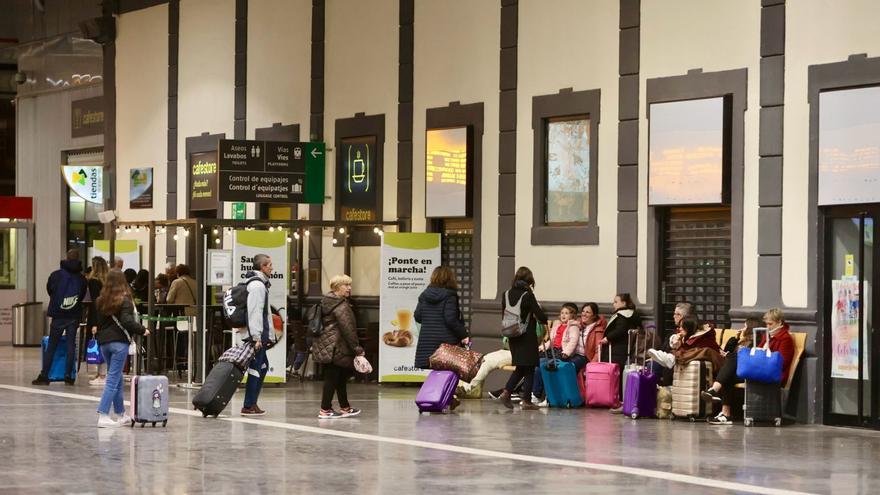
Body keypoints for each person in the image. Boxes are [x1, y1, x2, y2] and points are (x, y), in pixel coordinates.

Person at [94, 270, 149, 427]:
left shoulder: (100, 301)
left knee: (116, 378)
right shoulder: (125, 301)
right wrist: (142, 330)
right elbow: (126, 321)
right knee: (112, 379)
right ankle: (103, 414)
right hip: (119, 343)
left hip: (104, 343)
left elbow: (99, 322)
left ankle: (121, 414)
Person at [32, 249, 87, 386]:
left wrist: (59, 302)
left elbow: (50, 290)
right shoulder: (81, 278)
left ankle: (45, 375)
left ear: (66, 258)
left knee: (52, 345)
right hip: (73, 315)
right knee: (70, 345)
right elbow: (81, 295)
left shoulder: (56, 275)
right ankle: (69, 376)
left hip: (58, 314)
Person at [312, 274, 363, 419]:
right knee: (332, 378)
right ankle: (325, 409)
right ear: (337, 287)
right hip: (337, 346)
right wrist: (358, 349)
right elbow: (348, 329)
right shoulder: (341, 306)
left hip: (327, 345)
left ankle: (345, 407)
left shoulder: (326, 301)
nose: (349, 288)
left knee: (339, 377)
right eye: (346, 285)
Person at [498, 266, 548, 410]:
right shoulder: (527, 295)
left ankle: (507, 393)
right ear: (529, 280)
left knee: (521, 366)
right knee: (530, 367)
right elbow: (540, 315)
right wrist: (543, 318)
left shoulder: (505, 294)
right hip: (526, 335)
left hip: (511, 334)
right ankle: (526, 400)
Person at [703, 317, 761, 425]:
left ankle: (714, 390)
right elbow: (727, 351)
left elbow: (747, 359)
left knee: (732, 360)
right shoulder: (742, 340)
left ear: (750, 327)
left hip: (748, 372)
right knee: (727, 377)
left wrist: (730, 355)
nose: (743, 328)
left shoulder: (756, 342)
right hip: (734, 369)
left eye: (745, 326)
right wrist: (736, 338)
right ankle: (726, 414)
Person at [413, 266, 469, 367]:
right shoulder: (450, 296)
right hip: (446, 342)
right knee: (447, 370)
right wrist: (464, 334)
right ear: (450, 278)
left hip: (427, 342)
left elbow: (418, 316)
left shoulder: (424, 295)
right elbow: (451, 319)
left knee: (434, 372)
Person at [239, 254, 274, 416]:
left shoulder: (259, 284)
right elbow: (255, 312)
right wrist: (257, 337)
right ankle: (248, 405)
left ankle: (252, 403)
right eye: (269, 265)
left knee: (263, 366)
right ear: (262, 267)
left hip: (257, 334)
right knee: (256, 369)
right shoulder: (258, 286)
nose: (272, 268)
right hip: (256, 336)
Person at [532, 302, 582, 406]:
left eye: (566, 313)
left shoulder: (573, 327)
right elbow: (551, 340)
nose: (563, 315)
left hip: (561, 352)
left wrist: (566, 353)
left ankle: (548, 397)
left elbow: (573, 341)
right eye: (562, 313)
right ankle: (535, 394)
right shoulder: (557, 326)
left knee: (547, 367)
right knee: (536, 366)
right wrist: (542, 348)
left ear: (572, 316)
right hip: (553, 350)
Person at [599, 293, 641, 407]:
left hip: (616, 349)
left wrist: (607, 338)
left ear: (624, 303)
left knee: (615, 374)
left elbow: (620, 330)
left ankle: (616, 399)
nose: (614, 304)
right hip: (625, 349)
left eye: (616, 302)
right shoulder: (632, 315)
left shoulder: (622, 315)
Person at [86, 256, 109, 386]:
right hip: (106, 315)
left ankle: (101, 374)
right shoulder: (108, 281)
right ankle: (102, 373)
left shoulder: (94, 282)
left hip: (96, 316)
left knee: (99, 345)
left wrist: (94, 322)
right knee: (104, 344)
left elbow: (95, 302)